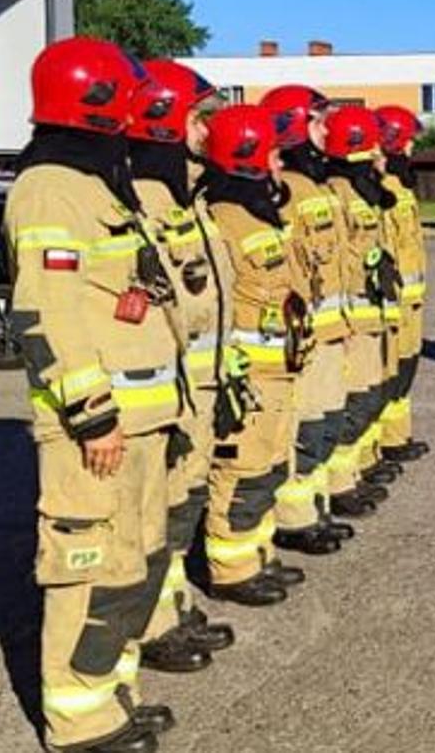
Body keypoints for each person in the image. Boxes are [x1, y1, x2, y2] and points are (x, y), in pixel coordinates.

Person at [6, 36, 182, 752]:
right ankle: (77, 720)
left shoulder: (97, 183)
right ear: (98, 103)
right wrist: (92, 415)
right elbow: (47, 313)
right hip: (97, 428)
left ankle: (111, 693)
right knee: (87, 571)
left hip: (141, 420)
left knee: (130, 564)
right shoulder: (50, 188)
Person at [124, 58, 237, 677]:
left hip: (197, 388)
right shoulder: (145, 200)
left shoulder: (185, 197)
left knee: (180, 506)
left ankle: (170, 606)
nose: (206, 133)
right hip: (164, 394)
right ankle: (152, 623)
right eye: (199, 119)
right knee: (155, 514)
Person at [199, 104, 309, 609]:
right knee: (240, 472)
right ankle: (231, 568)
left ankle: (258, 552)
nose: (280, 166)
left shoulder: (260, 213)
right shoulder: (223, 220)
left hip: (279, 371)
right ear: (246, 159)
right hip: (249, 377)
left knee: (267, 468)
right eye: (272, 155)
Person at [258, 85, 353, 556]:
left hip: (332, 327)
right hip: (305, 334)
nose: (326, 131)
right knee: (305, 427)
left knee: (325, 422)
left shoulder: (315, 184)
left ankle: (316, 505)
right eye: (317, 123)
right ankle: (295, 517)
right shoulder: (285, 189)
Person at [321, 105, 403, 515]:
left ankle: (354, 472)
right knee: (349, 403)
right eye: (375, 152)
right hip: (350, 319)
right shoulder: (337, 193)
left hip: (372, 314)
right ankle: (339, 484)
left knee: (368, 396)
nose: (383, 159)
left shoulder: (362, 190)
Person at [374, 105, 432, 463]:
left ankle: (398, 435)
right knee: (389, 371)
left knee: (406, 370)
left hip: (412, 300)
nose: (412, 149)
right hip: (396, 303)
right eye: (408, 141)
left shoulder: (402, 187)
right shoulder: (384, 190)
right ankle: (382, 443)